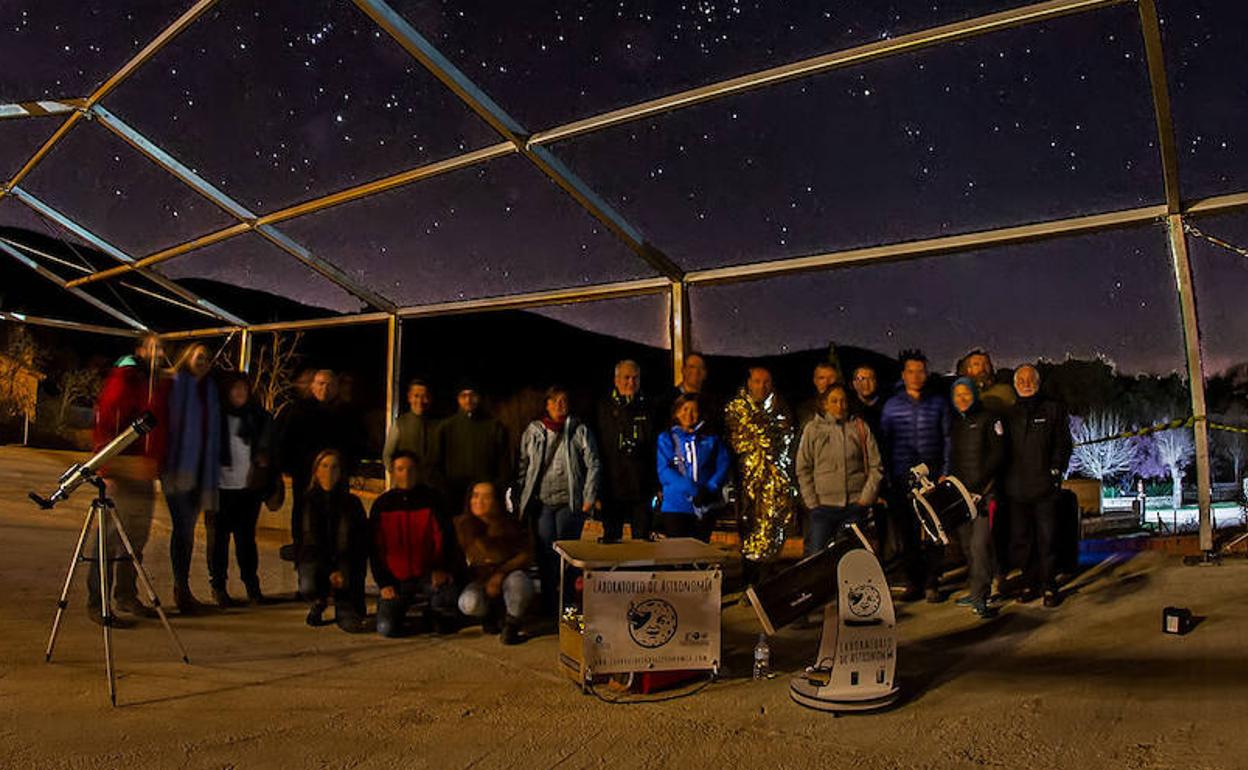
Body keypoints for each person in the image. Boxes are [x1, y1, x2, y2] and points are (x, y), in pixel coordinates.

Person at [86, 333, 168, 627]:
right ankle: (98, 601)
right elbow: (105, 423)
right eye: (154, 348)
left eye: (162, 349)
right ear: (141, 350)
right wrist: (106, 470)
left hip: (144, 472)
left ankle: (126, 594)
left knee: (135, 540)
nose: (159, 353)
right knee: (108, 539)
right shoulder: (126, 380)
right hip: (122, 471)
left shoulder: (155, 384)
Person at [515, 385, 600, 612]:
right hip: (542, 502)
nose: (559, 405)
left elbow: (593, 463)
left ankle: (568, 600)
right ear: (547, 404)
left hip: (570, 502)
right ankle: (549, 601)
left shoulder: (579, 429)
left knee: (568, 552)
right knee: (546, 551)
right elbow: (523, 464)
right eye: (555, 401)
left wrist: (589, 496)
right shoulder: (534, 431)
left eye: (564, 400)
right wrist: (521, 497)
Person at [878, 350, 951, 602]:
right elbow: (884, 444)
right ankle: (914, 582)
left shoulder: (938, 403)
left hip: (932, 479)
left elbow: (947, 439)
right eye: (911, 371)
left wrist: (945, 472)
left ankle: (932, 582)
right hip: (900, 479)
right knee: (907, 535)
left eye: (921, 371)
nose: (916, 376)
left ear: (926, 374)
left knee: (933, 532)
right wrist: (888, 478)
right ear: (903, 374)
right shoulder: (891, 406)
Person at [370, 451, 459, 637]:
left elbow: (445, 538)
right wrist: (384, 583)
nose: (406, 474)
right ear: (393, 472)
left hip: (427, 576)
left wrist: (440, 568)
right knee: (387, 629)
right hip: (395, 581)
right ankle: (395, 610)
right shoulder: (382, 505)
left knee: (445, 622)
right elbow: (375, 548)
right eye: (401, 469)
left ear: (418, 472)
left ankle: (434, 613)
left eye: (411, 469)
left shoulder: (433, 500)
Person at [1005, 364, 1073, 608]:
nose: (1025, 383)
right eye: (1020, 379)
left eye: (1030, 378)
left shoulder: (1053, 409)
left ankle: (1049, 586)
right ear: (1015, 384)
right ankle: (1028, 583)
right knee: (1022, 541)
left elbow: (1063, 443)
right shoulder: (1009, 414)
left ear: (1038, 381)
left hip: (1045, 488)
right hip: (1017, 490)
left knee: (1048, 539)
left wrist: (1055, 470)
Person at [162, 343, 221, 614]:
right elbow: (170, 427)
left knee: (187, 530)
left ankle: (181, 587)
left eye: (207, 358)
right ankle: (180, 589)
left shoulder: (209, 390)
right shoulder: (177, 384)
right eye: (199, 356)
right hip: (179, 469)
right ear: (187, 357)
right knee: (183, 528)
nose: (204, 361)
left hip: (201, 470)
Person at [207, 374, 273, 608]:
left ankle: (252, 586)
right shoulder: (216, 417)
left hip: (248, 489)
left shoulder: (258, 417)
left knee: (246, 541)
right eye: (235, 389)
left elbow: (267, 451)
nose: (239, 393)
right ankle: (219, 586)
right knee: (218, 541)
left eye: (244, 389)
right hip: (220, 489)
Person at [725, 367, 798, 574]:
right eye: (757, 381)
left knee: (773, 531)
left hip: (775, 484)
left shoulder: (781, 409)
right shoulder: (737, 409)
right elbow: (737, 441)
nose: (761, 386)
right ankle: (749, 579)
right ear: (749, 383)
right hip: (745, 483)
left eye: (766, 382)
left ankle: (767, 579)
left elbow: (786, 440)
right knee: (748, 532)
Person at [796, 383, 883, 556]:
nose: (839, 405)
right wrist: (812, 501)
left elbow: (875, 465)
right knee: (816, 556)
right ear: (825, 404)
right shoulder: (813, 429)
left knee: (854, 556)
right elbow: (803, 467)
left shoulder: (859, 428)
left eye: (843, 401)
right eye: (834, 401)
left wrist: (866, 497)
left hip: (855, 505)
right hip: (823, 507)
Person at [947, 378, 1005, 618]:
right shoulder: (957, 425)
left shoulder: (990, 419)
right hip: (961, 497)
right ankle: (975, 590)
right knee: (967, 547)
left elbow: (998, 456)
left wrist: (982, 488)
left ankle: (981, 598)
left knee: (979, 546)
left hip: (984, 495)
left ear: (974, 394)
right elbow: (955, 459)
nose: (961, 399)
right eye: (957, 395)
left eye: (965, 394)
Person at [279, 369, 352, 551]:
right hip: (304, 474)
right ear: (312, 386)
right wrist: (291, 467)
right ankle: (301, 545)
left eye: (329, 384)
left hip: (336, 475)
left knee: (336, 510)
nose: (324, 388)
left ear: (336, 388)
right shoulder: (298, 411)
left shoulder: (344, 414)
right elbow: (286, 441)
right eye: (320, 383)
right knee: (302, 510)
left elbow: (353, 445)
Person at [456, 482, 536, 644]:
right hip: (479, 581)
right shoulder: (461, 525)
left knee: (520, 584)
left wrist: (501, 573)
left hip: (507, 577)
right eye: (476, 496)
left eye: (486, 497)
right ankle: (488, 615)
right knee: (469, 603)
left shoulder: (511, 524)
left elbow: (526, 555)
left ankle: (512, 624)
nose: (479, 501)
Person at [298, 449, 368, 632]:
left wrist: (344, 570)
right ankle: (318, 599)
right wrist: (330, 571)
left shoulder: (352, 503)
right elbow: (310, 541)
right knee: (309, 584)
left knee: (351, 624)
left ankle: (345, 604)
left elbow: (360, 542)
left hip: (345, 562)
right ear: (316, 471)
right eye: (325, 466)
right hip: (318, 560)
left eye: (335, 467)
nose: (329, 471)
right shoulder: (308, 503)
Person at [596, 360, 659, 541]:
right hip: (612, 486)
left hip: (641, 486)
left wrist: (656, 484)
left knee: (641, 540)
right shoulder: (603, 407)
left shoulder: (649, 406)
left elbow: (655, 446)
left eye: (635, 378)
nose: (631, 383)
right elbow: (597, 449)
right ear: (616, 380)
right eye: (626, 378)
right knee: (611, 540)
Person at [656, 393, 732, 542]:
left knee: (700, 553)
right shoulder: (667, 438)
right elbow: (664, 471)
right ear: (677, 412)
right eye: (684, 409)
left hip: (705, 506)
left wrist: (710, 487)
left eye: (693, 410)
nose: (688, 415)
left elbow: (722, 464)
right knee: (677, 554)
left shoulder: (711, 439)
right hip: (676, 506)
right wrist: (693, 490)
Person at [438, 383, 510, 516]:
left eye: (472, 395)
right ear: (458, 399)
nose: (468, 400)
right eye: (463, 396)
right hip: (455, 493)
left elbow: (504, 460)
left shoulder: (494, 426)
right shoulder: (446, 427)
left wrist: (498, 486)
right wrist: (444, 488)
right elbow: (436, 461)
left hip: (485, 494)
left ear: (479, 397)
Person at [381, 378, 441, 488]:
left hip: (430, 486)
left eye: (424, 396)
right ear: (409, 397)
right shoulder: (400, 424)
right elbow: (387, 455)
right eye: (416, 396)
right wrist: (399, 476)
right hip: (406, 486)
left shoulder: (438, 425)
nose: (420, 401)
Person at [658, 353, 721, 433]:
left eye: (700, 368)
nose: (696, 371)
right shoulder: (667, 401)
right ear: (683, 370)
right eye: (692, 367)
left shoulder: (712, 403)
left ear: (705, 374)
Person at [796, 362, 840, 428]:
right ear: (815, 381)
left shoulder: (849, 405)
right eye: (822, 378)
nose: (827, 382)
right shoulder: (806, 409)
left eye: (831, 377)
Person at [850, 365, 885, 437]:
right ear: (854, 383)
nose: (866, 383)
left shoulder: (888, 406)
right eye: (861, 379)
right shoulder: (849, 409)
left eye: (870, 379)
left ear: (876, 382)